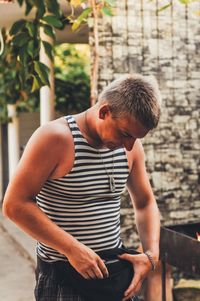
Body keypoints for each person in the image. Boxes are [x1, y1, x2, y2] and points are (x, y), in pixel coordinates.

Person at [3, 73, 161, 301]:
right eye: (126, 134)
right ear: (104, 111)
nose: (129, 146)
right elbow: (14, 205)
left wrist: (150, 255)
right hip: (65, 276)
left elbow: (145, 202)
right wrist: (71, 249)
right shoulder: (55, 138)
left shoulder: (131, 148)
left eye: (136, 138)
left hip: (115, 272)